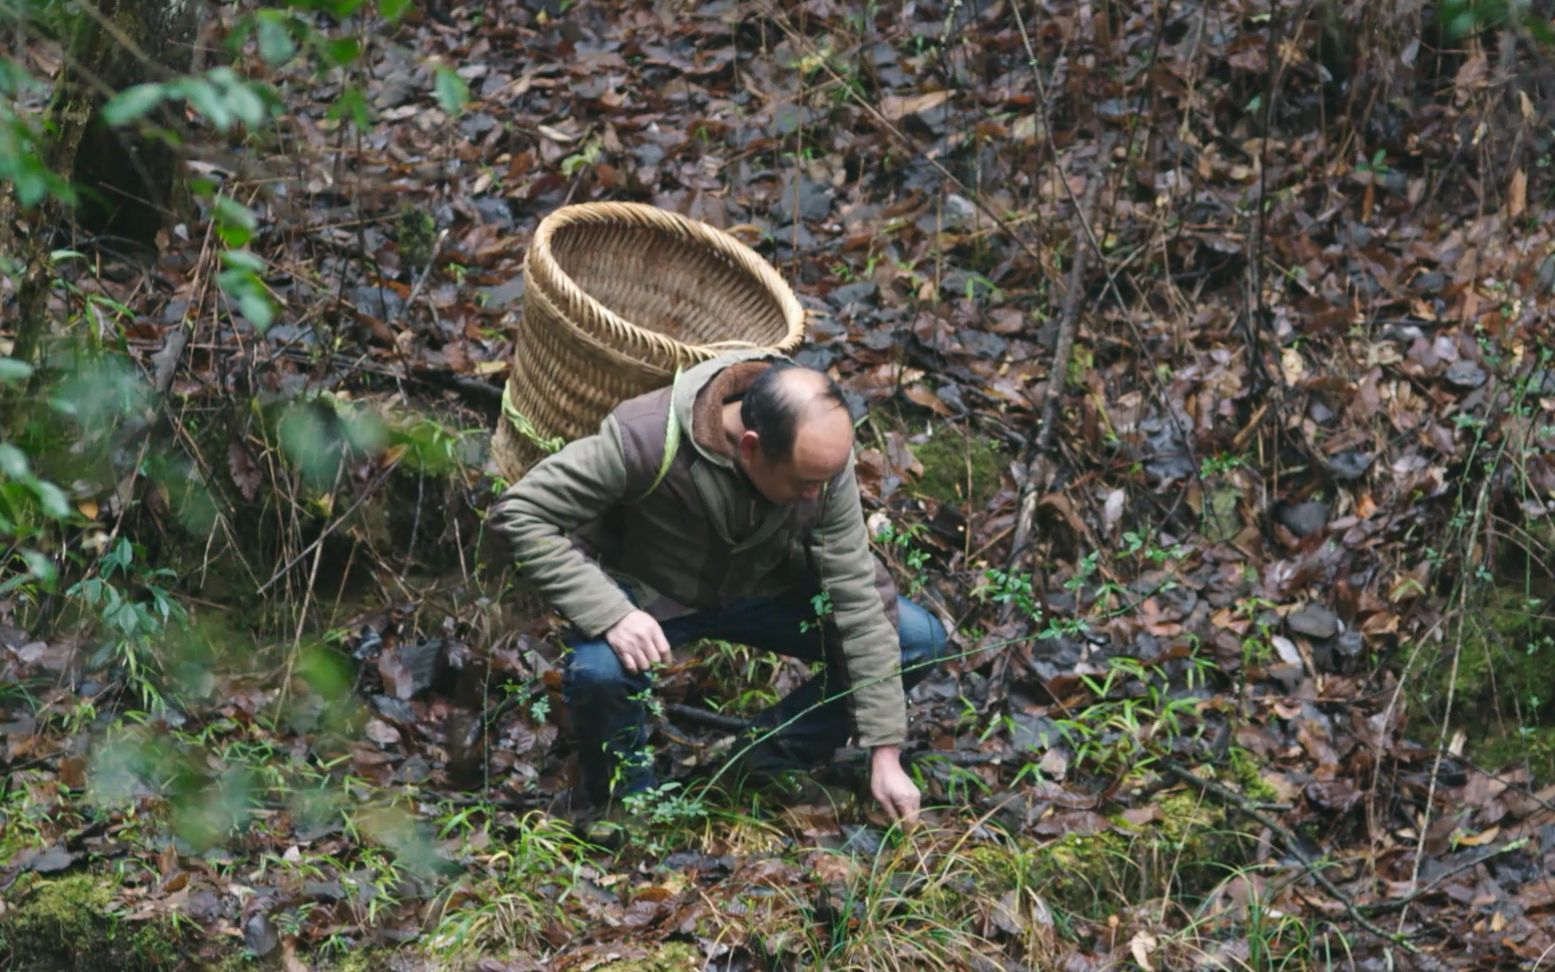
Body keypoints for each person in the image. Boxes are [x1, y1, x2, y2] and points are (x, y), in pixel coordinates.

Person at [490, 350, 946, 825]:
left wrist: (884, 749)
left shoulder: (820, 464)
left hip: (761, 589)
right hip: (650, 596)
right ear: (750, 447)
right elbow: (520, 513)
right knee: (601, 672)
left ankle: (759, 760)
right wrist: (612, 613)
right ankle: (622, 808)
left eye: (826, 479)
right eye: (804, 482)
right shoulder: (645, 438)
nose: (817, 494)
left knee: (917, 640)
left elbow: (857, 594)